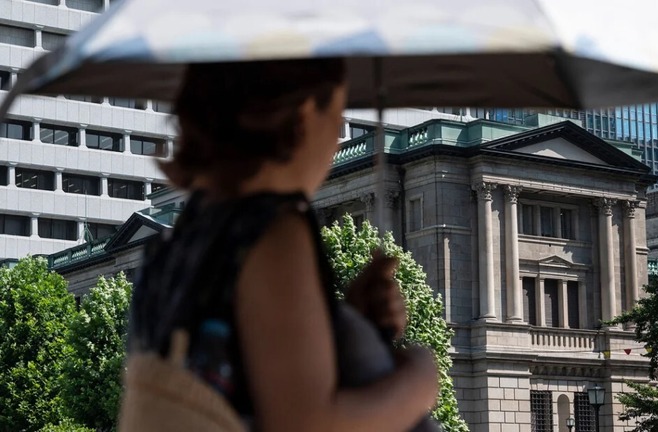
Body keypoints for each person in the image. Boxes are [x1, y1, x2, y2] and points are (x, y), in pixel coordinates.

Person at [127, 58, 439, 432]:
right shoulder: (272, 232)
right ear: (306, 115)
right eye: (337, 115)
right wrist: (420, 378)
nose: (336, 138)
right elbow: (307, 423)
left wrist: (349, 320)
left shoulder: (193, 231)